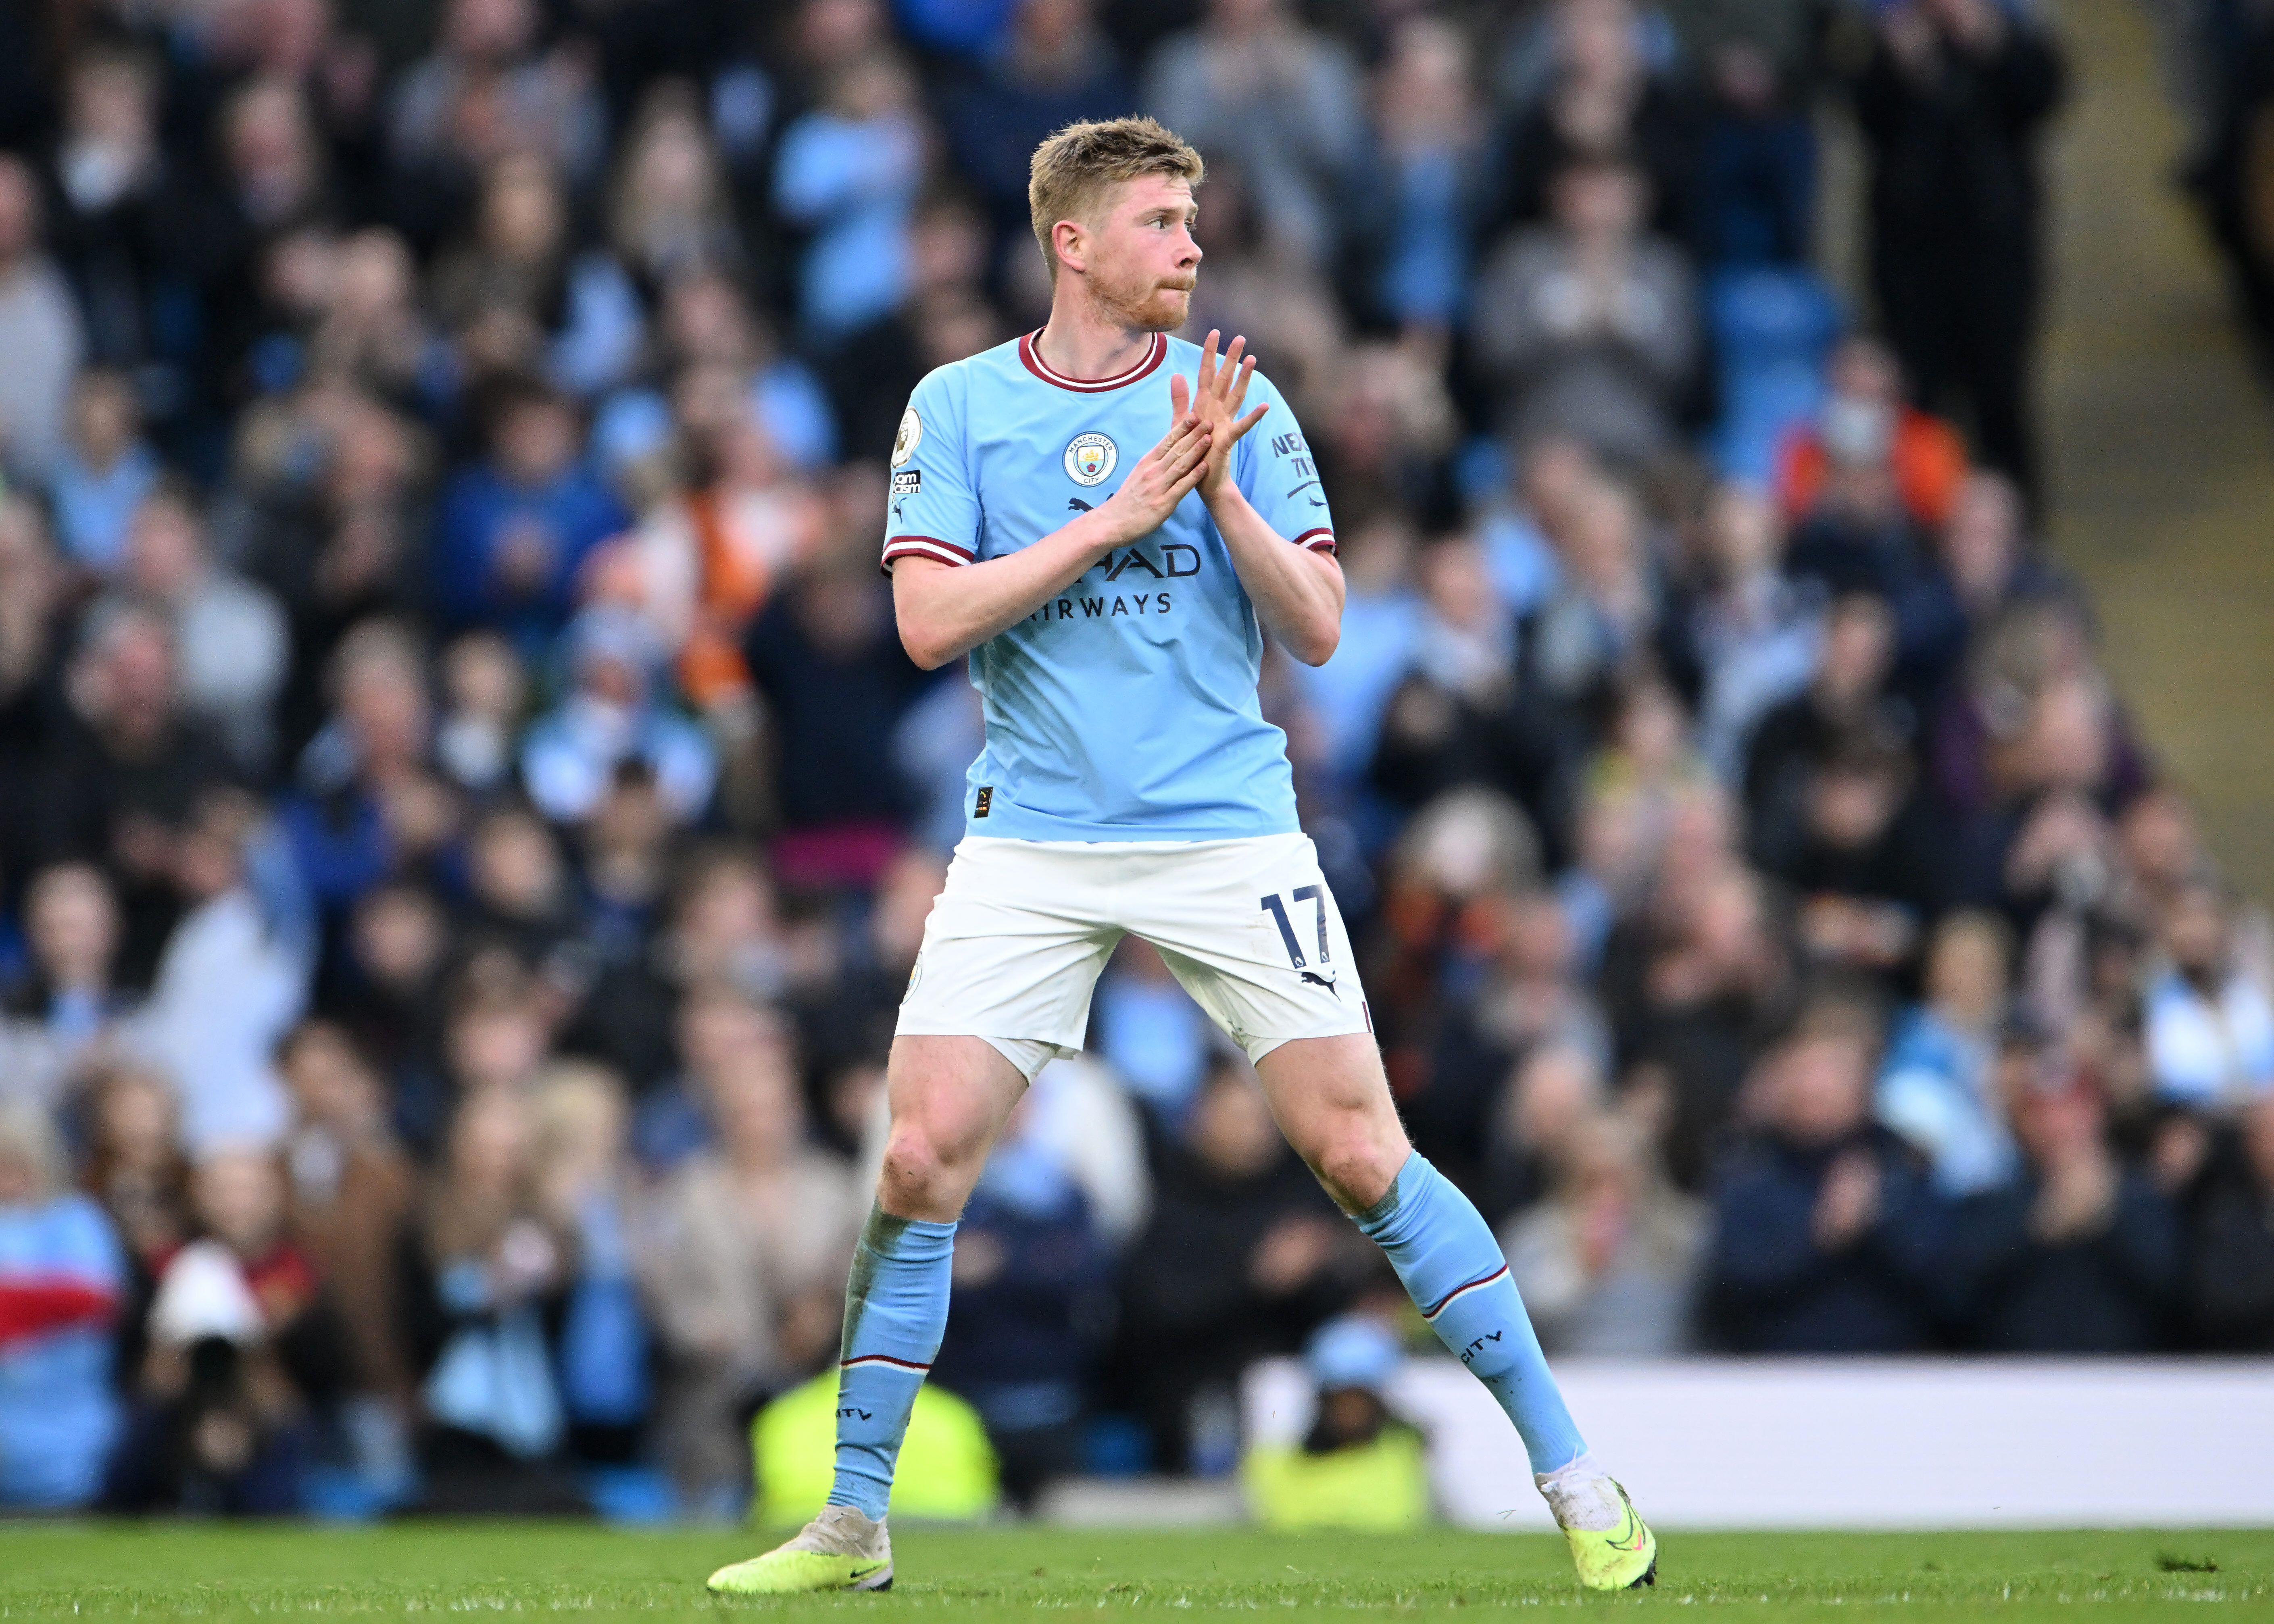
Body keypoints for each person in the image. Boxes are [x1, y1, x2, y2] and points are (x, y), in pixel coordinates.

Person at [704, 116, 1655, 1599]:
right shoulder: (956, 407)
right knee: (913, 1154)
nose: (1193, 247)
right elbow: (928, 624)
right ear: (1072, 241)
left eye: (1193, 221)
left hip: (1223, 831)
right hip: (1030, 838)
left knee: (1361, 1152)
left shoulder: (1242, 406)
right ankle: (853, 1520)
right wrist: (1121, 513)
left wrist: (1214, 495)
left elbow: (1322, 627)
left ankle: (1580, 1482)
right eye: (1161, 221)